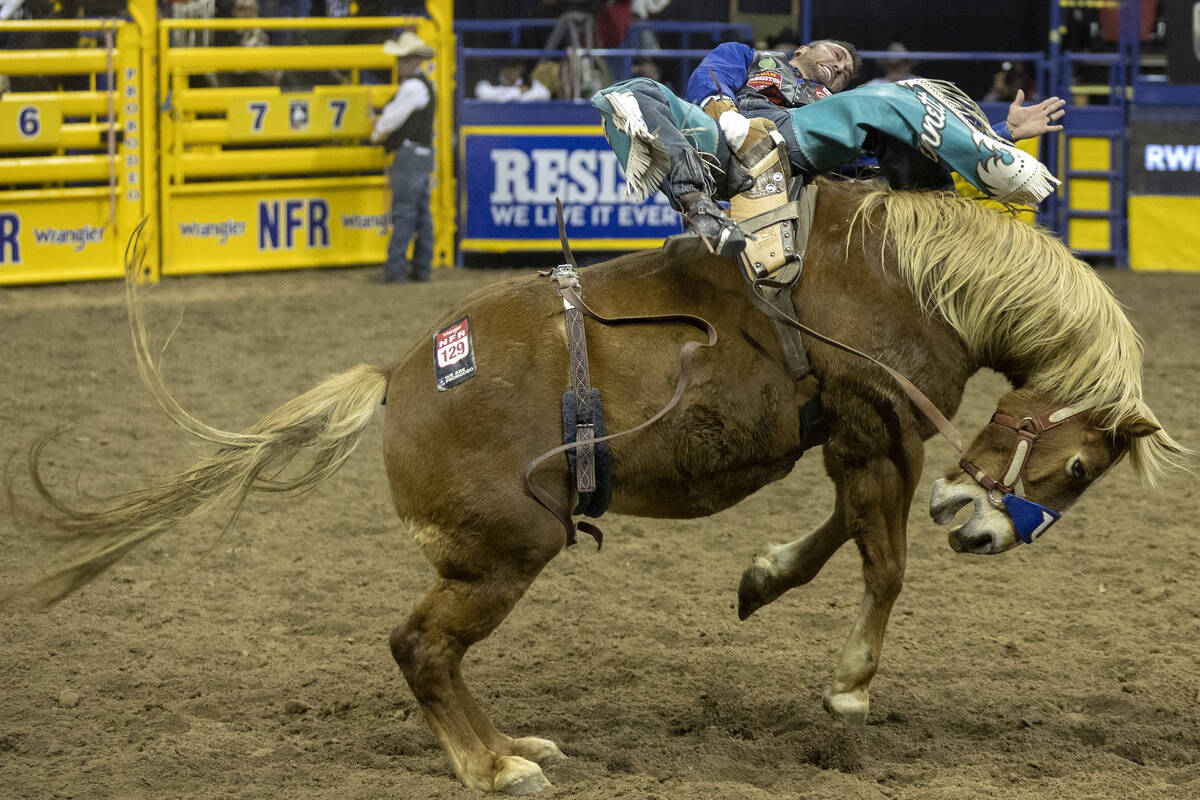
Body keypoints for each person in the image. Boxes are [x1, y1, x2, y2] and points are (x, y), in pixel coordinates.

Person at [591, 38, 1067, 258]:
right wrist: (727, 116)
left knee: (889, 97)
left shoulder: (837, 107)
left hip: (796, 140)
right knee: (630, 92)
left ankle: (988, 156)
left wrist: (1002, 131)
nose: (841, 65)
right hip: (720, 146)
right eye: (835, 53)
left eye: (845, 71)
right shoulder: (750, 57)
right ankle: (700, 210)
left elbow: (905, 147)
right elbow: (710, 75)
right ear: (799, 51)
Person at [370, 32, 436, 283]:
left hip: (410, 156)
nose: (399, 63)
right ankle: (421, 267)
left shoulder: (412, 87)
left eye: (403, 58)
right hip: (422, 154)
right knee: (421, 212)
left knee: (405, 211)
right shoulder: (423, 85)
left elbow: (391, 118)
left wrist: (377, 133)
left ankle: (395, 269)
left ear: (413, 60)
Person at [474, 61, 552, 102]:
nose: (512, 70)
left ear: (522, 68)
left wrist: (508, 95)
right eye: (509, 66)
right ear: (502, 68)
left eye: (516, 67)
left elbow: (544, 94)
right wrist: (518, 92)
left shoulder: (529, 83)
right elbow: (483, 93)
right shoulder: (490, 81)